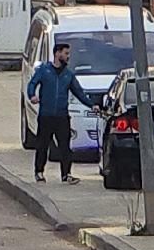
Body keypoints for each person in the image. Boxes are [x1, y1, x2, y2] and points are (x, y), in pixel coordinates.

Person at [27, 39, 100, 184]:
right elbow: (32, 83)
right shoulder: (44, 70)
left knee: (65, 147)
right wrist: (32, 95)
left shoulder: (68, 75)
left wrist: (92, 105)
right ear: (57, 54)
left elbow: (79, 93)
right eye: (66, 53)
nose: (68, 56)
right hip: (46, 116)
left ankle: (66, 174)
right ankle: (39, 172)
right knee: (42, 145)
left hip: (62, 116)